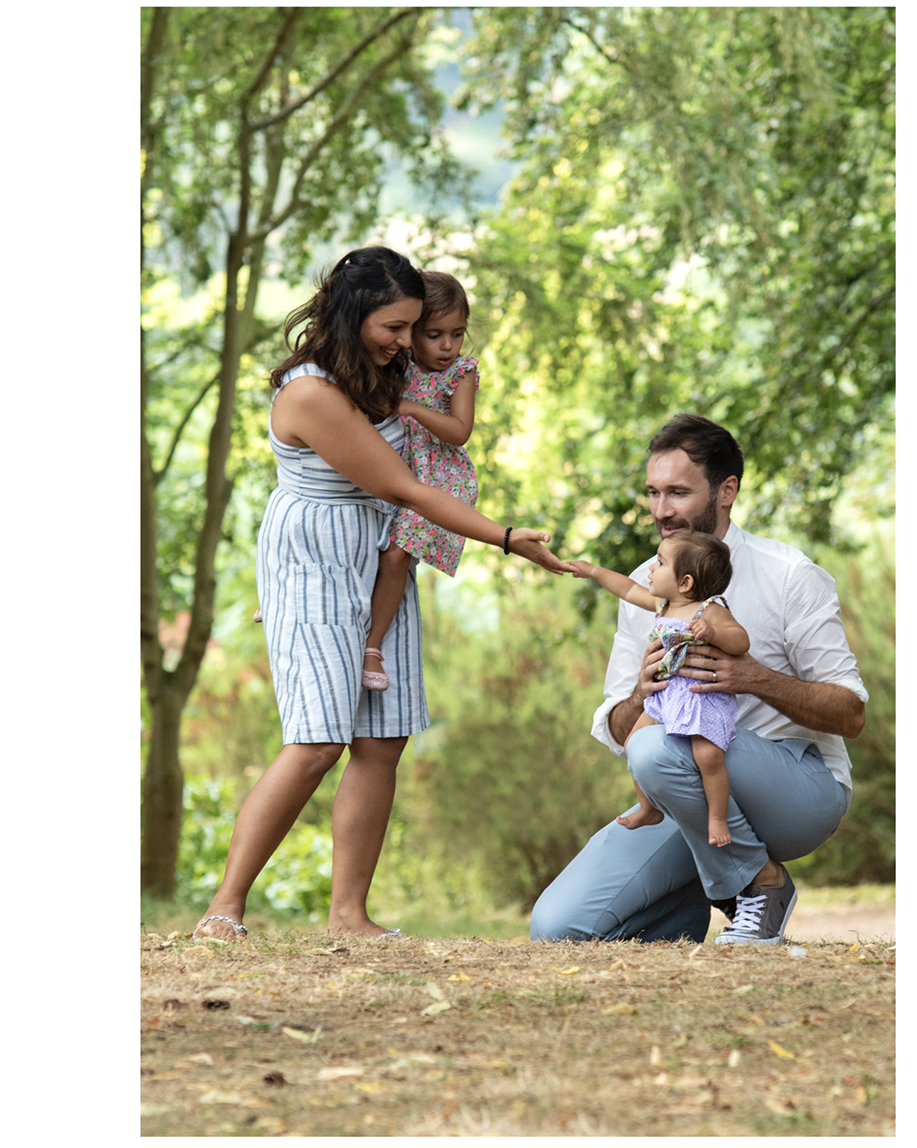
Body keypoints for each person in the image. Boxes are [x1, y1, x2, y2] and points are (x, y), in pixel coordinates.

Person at [192, 246, 569, 942]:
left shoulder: (384, 368)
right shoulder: (311, 393)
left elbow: (440, 445)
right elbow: (404, 486)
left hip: (380, 549)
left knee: (382, 736)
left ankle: (348, 916)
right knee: (316, 740)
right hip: (318, 555)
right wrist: (507, 537)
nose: (406, 343)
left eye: (412, 328)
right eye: (394, 327)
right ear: (354, 313)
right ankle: (224, 908)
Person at [529, 414, 867, 946]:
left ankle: (764, 884)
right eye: (653, 493)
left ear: (726, 490)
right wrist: (642, 690)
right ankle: (693, 906)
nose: (662, 511)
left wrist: (754, 679)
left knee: (658, 748)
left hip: (799, 791)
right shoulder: (650, 583)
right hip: (685, 792)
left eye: (679, 493)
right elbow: (619, 727)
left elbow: (850, 714)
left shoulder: (789, 575)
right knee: (558, 928)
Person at [565, 529, 749, 842]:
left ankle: (718, 819)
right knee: (634, 744)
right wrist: (594, 572)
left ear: (686, 582)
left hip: (697, 698)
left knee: (708, 757)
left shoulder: (711, 610)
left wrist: (714, 633)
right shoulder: (662, 605)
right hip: (665, 695)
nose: (651, 567)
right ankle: (648, 807)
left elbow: (741, 640)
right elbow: (627, 588)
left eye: (660, 563)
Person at [361, 271, 481, 692]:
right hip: (396, 465)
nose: (448, 346)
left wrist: (411, 407)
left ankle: (372, 646)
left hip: (439, 477)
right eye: (435, 334)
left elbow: (459, 431)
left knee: (396, 557)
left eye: (457, 334)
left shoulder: (460, 372)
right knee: (357, 531)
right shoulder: (395, 358)